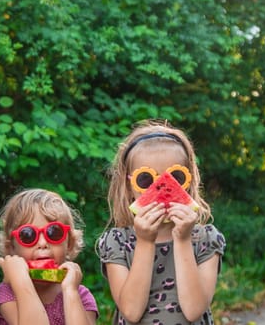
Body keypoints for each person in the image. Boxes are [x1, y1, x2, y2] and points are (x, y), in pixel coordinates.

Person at [97, 120, 227, 325]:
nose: (160, 188)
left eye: (175, 178)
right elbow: (131, 311)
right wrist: (145, 242)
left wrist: (183, 240)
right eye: (145, 180)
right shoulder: (117, 241)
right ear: (129, 187)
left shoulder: (205, 239)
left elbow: (194, 310)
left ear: (189, 181)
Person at [0, 188, 99, 325]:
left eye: (54, 232)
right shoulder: (8, 293)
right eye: (28, 235)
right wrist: (21, 280)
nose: (43, 243)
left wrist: (70, 292)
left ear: (69, 243)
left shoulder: (80, 295)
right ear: (11, 247)